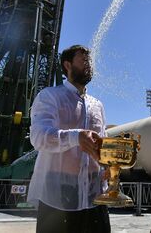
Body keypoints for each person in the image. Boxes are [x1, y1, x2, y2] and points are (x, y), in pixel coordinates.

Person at [28, 45, 110, 233]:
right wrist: (76, 137)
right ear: (67, 65)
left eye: (90, 61)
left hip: (95, 195)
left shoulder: (98, 105)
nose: (89, 65)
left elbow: (102, 143)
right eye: (83, 60)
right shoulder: (50, 96)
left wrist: (108, 168)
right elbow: (39, 137)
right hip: (58, 195)